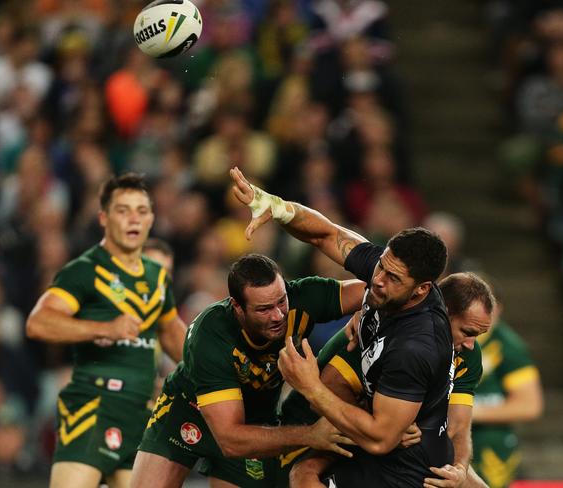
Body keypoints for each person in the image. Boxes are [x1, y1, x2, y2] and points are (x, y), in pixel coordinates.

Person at [231, 167, 454, 487]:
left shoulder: (415, 346)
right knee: (303, 473)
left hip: (404, 470)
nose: (376, 280)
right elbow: (326, 234)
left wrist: (309, 386)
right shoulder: (389, 275)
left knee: (304, 479)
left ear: (421, 289)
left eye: (392, 279)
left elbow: (381, 439)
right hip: (379, 443)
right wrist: (278, 207)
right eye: (380, 266)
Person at [131, 253, 367, 488]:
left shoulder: (303, 296)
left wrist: (365, 312)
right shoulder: (211, 334)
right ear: (237, 306)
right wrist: (310, 434)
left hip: (254, 423)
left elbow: (377, 289)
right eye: (264, 309)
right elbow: (230, 440)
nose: (278, 315)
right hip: (187, 412)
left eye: (281, 301)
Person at [26, 173, 187, 488]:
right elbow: (38, 322)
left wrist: (215, 374)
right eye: (123, 210)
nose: (133, 219)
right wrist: (103, 328)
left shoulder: (157, 277)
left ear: (152, 218)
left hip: (141, 414)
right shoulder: (84, 270)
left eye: (141, 211)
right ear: (103, 217)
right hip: (94, 405)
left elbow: (171, 333)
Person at [280, 272, 494, 488]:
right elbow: (326, 392)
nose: (471, 344)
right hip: (321, 428)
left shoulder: (466, 354)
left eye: (478, 335)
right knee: (303, 475)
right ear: (443, 311)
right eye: (467, 332)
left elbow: (457, 426)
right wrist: (386, 428)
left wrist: (458, 468)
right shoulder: (390, 331)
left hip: (390, 435)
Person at [471, 294, 543, 488]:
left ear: (498, 308)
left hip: (489, 450)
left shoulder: (508, 347)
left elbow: (529, 406)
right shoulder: (444, 338)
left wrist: (468, 411)